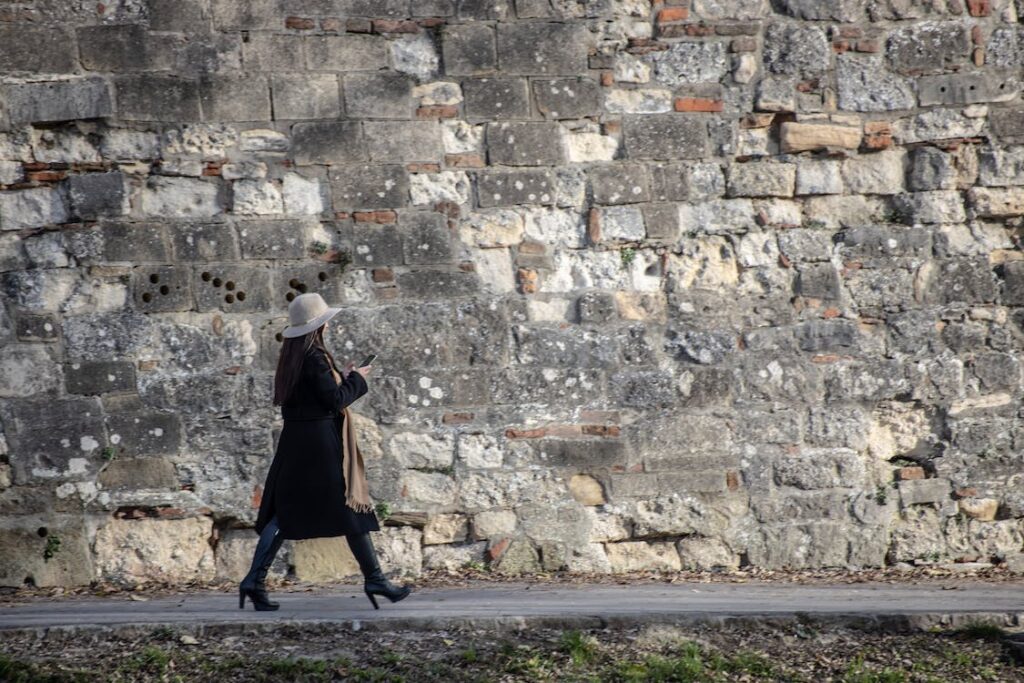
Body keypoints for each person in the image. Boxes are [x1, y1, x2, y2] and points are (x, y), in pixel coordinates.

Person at [239, 292, 411, 611]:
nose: (328, 327)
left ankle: (254, 580)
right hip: (319, 444)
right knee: (348, 508)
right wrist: (357, 379)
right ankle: (374, 579)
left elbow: (320, 396)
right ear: (319, 327)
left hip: (297, 441)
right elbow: (334, 401)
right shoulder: (315, 357)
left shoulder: (293, 355)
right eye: (326, 322)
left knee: (285, 511)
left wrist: (342, 379)